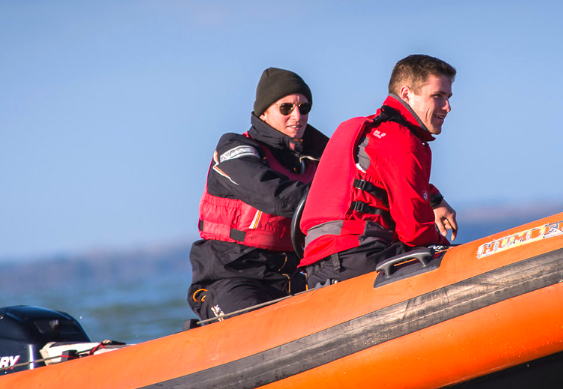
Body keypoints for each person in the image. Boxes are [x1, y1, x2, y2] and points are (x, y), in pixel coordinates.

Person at [298, 54, 458, 288]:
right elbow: (414, 232)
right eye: (438, 96)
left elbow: (379, 177)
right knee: (445, 262)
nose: (448, 107)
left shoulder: (363, 128)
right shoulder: (401, 140)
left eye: (448, 97)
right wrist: (451, 249)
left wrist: (435, 199)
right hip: (358, 255)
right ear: (406, 94)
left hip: (320, 262)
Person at [187, 68, 328, 321]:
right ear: (264, 113)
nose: (297, 116)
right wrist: (337, 196)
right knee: (260, 323)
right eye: (286, 108)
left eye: (304, 108)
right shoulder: (235, 150)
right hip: (232, 276)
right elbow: (273, 195)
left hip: (294, 275)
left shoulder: (320, 156)